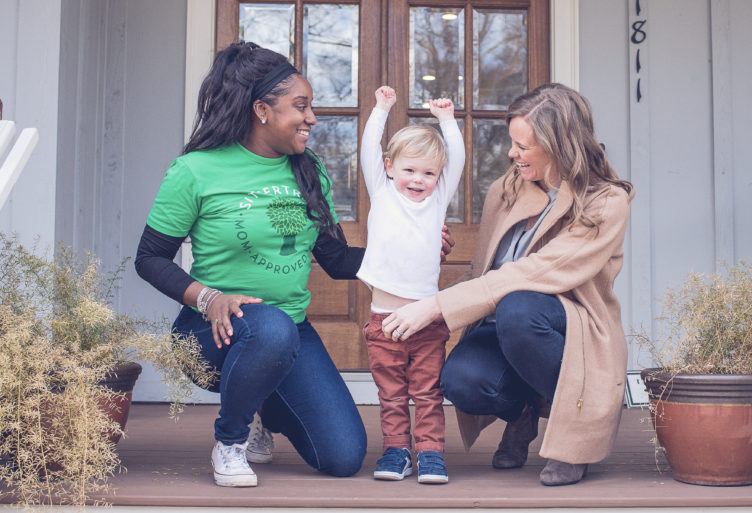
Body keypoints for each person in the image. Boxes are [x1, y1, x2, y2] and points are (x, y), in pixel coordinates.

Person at [135, 42, 453, 488]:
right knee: (268, 326)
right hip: (211, 331)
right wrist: (208, 299)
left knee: (342, 456)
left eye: (311, 107)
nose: (312, 118)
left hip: (289, 332)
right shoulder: (195, 171)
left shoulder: (309, 171)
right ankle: (230, 439)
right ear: (261, 109)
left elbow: (339, 260)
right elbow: (148, 258)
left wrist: (413, 252)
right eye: (300, 106)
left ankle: (261, 403)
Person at [380, 83, 634, 486]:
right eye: (512, 143)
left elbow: (537, 271)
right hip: (499, 323)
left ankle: (572, 435)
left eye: (523, 146)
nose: (512, 153)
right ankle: (523, 414)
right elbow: (485, 270)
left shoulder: (605, 202)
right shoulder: (506, 189)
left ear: (559, 144)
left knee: (520, 306)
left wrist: (438, 306)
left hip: (567, 326)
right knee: (460, 379)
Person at [357, 87, 464, 484]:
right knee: (391, 395)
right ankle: (397, 451)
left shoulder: (436, 204)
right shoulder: (383, 195)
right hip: (384, 321)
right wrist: (381, 110)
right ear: (389, 167)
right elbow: (369, 146)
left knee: (428, 393)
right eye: (409, 170)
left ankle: (431, 453)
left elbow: (458, 160)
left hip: (426, 323)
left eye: (428, 173)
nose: (418, 179)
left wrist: (448, 121)